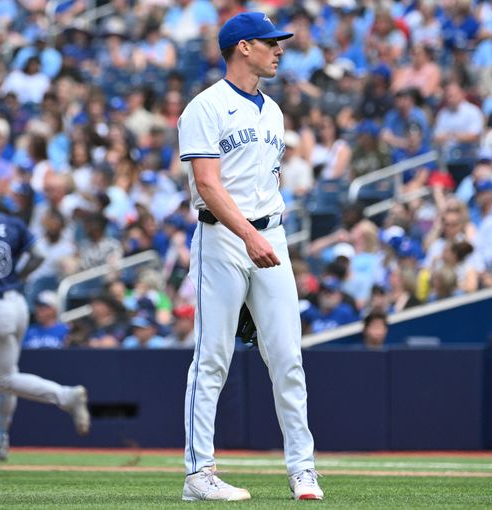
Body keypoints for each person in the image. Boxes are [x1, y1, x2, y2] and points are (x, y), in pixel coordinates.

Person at [176, 13, 322, 501]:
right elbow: (207, 185)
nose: (279, 49)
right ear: (242, 47)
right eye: (270, 42)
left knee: (287, 358)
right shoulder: (206, 106)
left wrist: (264, 235)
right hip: (222, 239)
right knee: (212, 358)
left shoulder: (274, 110)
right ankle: (199, 473)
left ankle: (303, 470)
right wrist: (247, 235)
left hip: (270, 237)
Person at [0, 175, 90, 461]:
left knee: (5, 379)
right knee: (4, 375)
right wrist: (15, 277)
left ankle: (66, 396)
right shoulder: (11, 222)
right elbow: (37, 255)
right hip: (18, 304)